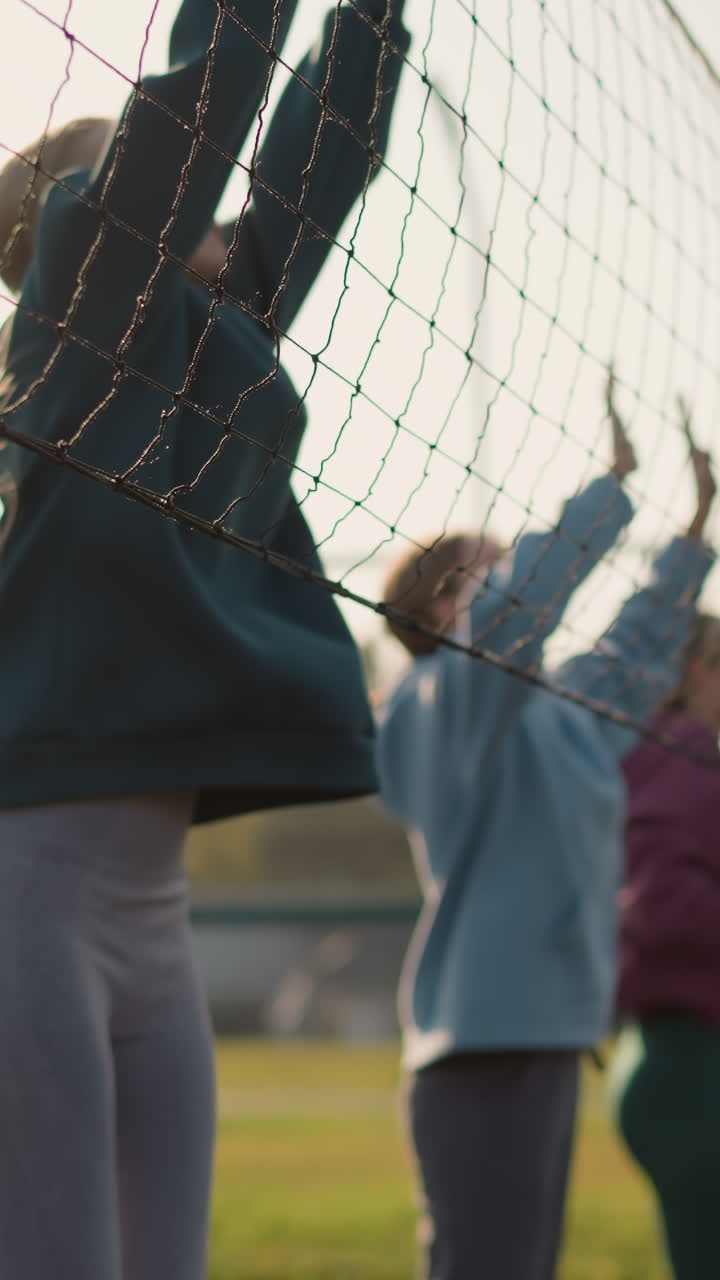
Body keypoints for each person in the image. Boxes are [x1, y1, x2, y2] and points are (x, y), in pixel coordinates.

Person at [0, 1, 409, 1277]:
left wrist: (374, 19)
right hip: (31, 893)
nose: (211, 200)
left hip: (151, 909)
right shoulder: (80, 332)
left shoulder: (220, 345)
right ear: (78, 222)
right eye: (127, 173)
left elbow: (320, 160)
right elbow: (209, 94)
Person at [374, 382, 716, 1280]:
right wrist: (610, 487)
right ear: (440, 612)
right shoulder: (442, 701)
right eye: (484, 571)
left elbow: (637, 655)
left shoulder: (552, 711)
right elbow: (514, 614)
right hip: (483, 1042)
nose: (509, 577)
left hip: (549, 1032)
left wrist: (694, 531)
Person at [609, 603, 720, 1276]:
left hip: (676, 1058)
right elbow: (662, 901)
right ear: (696, 669)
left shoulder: (664, 749)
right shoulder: (683, 751)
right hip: (690, 1065)